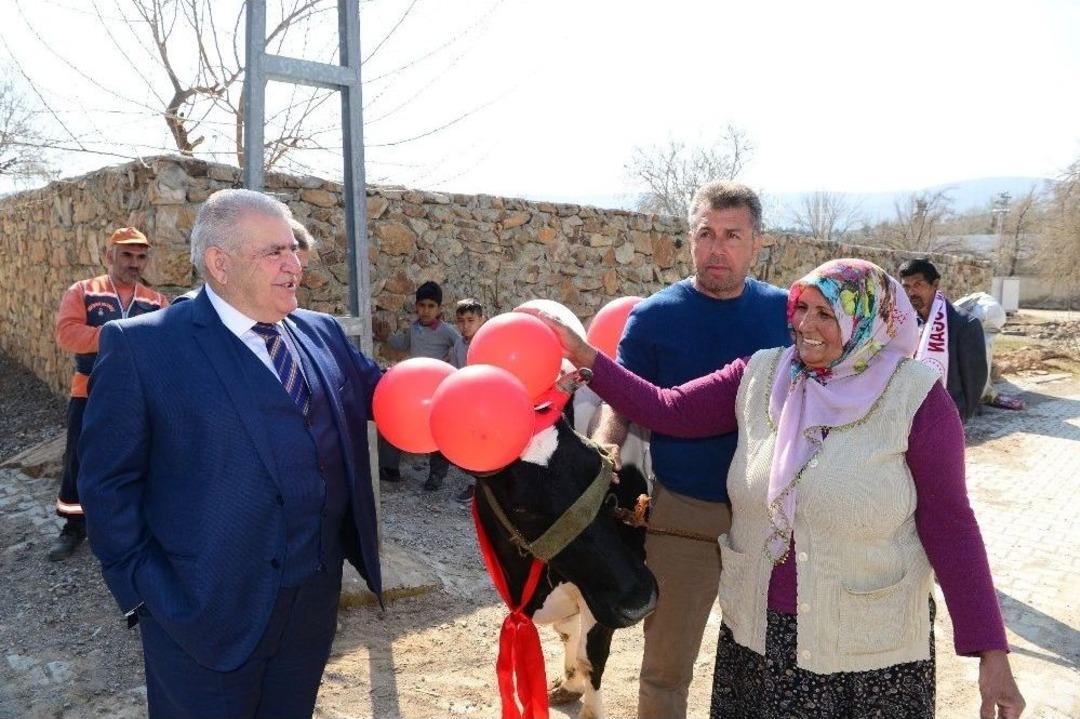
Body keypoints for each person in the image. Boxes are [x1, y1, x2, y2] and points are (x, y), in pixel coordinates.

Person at [524, 258, 1025, 719]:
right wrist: (584, 354)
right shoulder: (764, 375)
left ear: (866, 320)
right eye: (801, 308)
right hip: (762, 642)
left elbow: (950, 525)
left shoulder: (916, 400)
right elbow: (666, 408)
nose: (805, 325)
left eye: (826, 314)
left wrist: (991, 651)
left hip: (869, 654)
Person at [77, 189, 383, 718]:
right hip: (200, 614)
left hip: (309, 603)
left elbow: (397, 397)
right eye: (275, 253)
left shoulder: (322, 333)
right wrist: (145, 593)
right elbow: (106, 484)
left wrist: (503, 390)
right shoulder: (142, 347)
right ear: (219, 263)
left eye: (293, 250)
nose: (295, 265)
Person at [588, 181, 789, 718]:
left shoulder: (789, 315)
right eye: (706, 234)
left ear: (756, 243)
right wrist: (606, 453)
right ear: (689, 239)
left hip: (774, 516)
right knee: (665, 669)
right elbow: (622, 397)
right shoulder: (654, 316)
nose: (717, 248)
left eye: (732, 235)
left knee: (774, 664)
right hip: (683, 516)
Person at [48, 227, 169, 561]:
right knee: (78, 458)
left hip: (138, 396)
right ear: (109, 256)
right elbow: (67, 333)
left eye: (141, 256)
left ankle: (133, 526)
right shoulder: (84, 291)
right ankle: (73, 526)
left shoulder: (156, 301)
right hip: (89, 390)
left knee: (138, 458)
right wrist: (117, 335)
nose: (134, 263)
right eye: (127, 255)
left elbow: (167, 342)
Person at [375, 280, 461, 490]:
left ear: (439, 309)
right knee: (391, 418)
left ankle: (436, 475)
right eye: (422, 305)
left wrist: (455, 368)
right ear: (416, 307)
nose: (426, 310)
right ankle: (389, 468)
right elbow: (402, 344)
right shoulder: (413, 329)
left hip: (437, 391)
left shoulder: (447, 331)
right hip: (413, 390)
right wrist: (386, 337)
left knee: (439, 431)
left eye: (431, 306)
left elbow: (460, 347)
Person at [899, 258, 988, 423]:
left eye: (918, 285)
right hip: (912, 417)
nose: (911, 293)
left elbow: (974, 380)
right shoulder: (907, 323)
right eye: (907, 287)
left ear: (935, 284)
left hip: (949, 417)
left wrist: (960, 417)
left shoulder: (964, 324)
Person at [172, 217, 316, 303]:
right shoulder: (193, 308)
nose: (294, 273)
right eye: (275, 256)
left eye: (302, 269)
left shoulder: (301, 322)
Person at [450, 297, 486, 504]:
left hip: (487, 401)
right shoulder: (458, 345)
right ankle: (475, 484)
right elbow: (456, 372)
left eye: (470, 320)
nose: (465, 325)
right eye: (461, 321)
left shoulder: (489, 341)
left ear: (481, 319)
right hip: (468, 401)